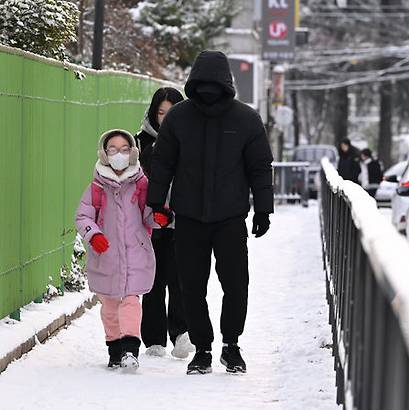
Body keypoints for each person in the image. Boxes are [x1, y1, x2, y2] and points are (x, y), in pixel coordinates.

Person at [147, 50, 274, 375]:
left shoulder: (245, 119)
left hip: (230, 217)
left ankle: (231, 345)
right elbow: (163, 162)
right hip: (188, 216)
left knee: (236, 283)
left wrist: (263, 208)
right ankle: (202, 348)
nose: (208, 90)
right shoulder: (179, 118)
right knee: (191, 285)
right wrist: (157, 202)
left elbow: (260, 167)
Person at [75, 129, 157, 372]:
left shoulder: (142, 184)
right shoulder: (96, 187)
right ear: (104, 153)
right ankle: (114, 348)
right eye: (113, 150)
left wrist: (160, 215)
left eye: (124, 150)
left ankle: (131, 349)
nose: (118, 155)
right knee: (110, 305)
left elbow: (149, 215)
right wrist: (94, 234)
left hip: (135, 252)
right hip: (106, 255)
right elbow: (83, 216)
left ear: (131, 153)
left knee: (132, 300)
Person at [135, 87, 195, 359]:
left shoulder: (192, 139)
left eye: (171, 112)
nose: (166, 118)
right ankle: (153, 339)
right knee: (153, 281)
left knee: (180, 278)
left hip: (182, 221)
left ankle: (181, 334)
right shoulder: (141, 143)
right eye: (161, 113)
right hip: (150, 223)